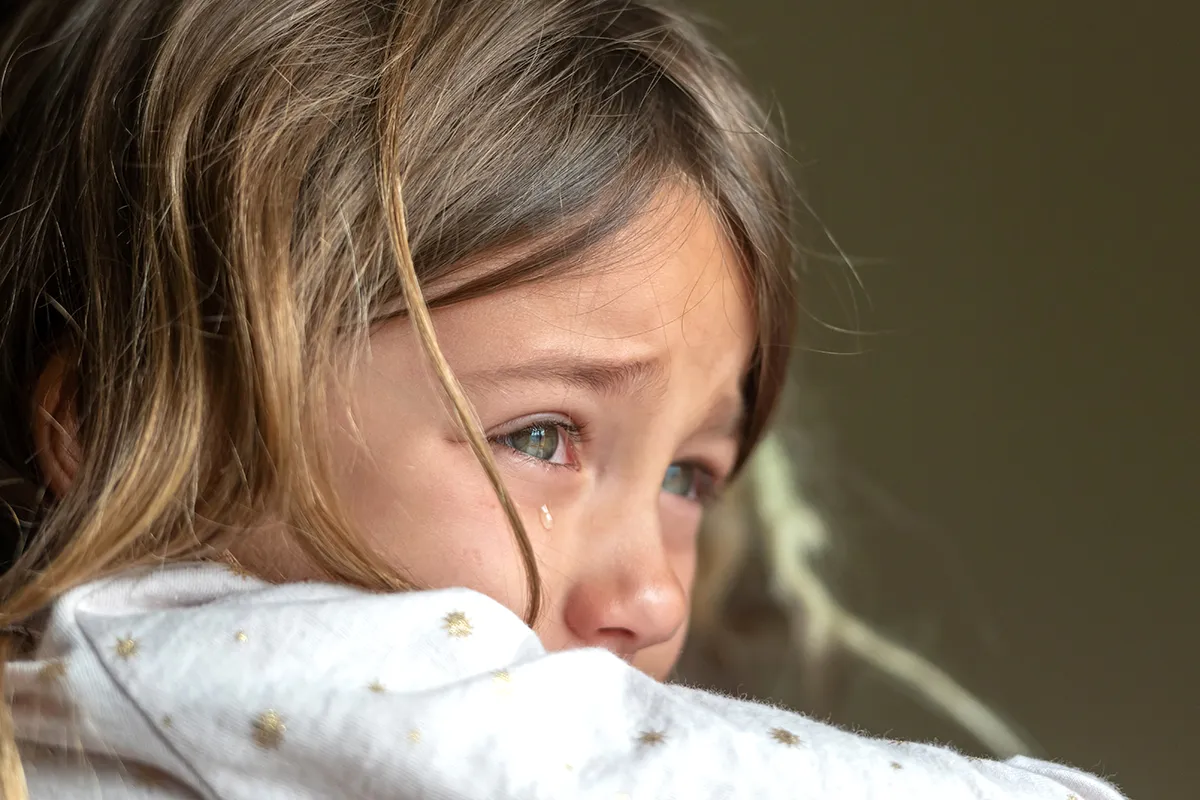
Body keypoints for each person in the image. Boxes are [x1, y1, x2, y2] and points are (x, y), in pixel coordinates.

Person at [0, 1, 1125, 797]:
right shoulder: (190, 652)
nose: (655, 596)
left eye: (689, 475)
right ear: (117, 432)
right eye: (543, 435)